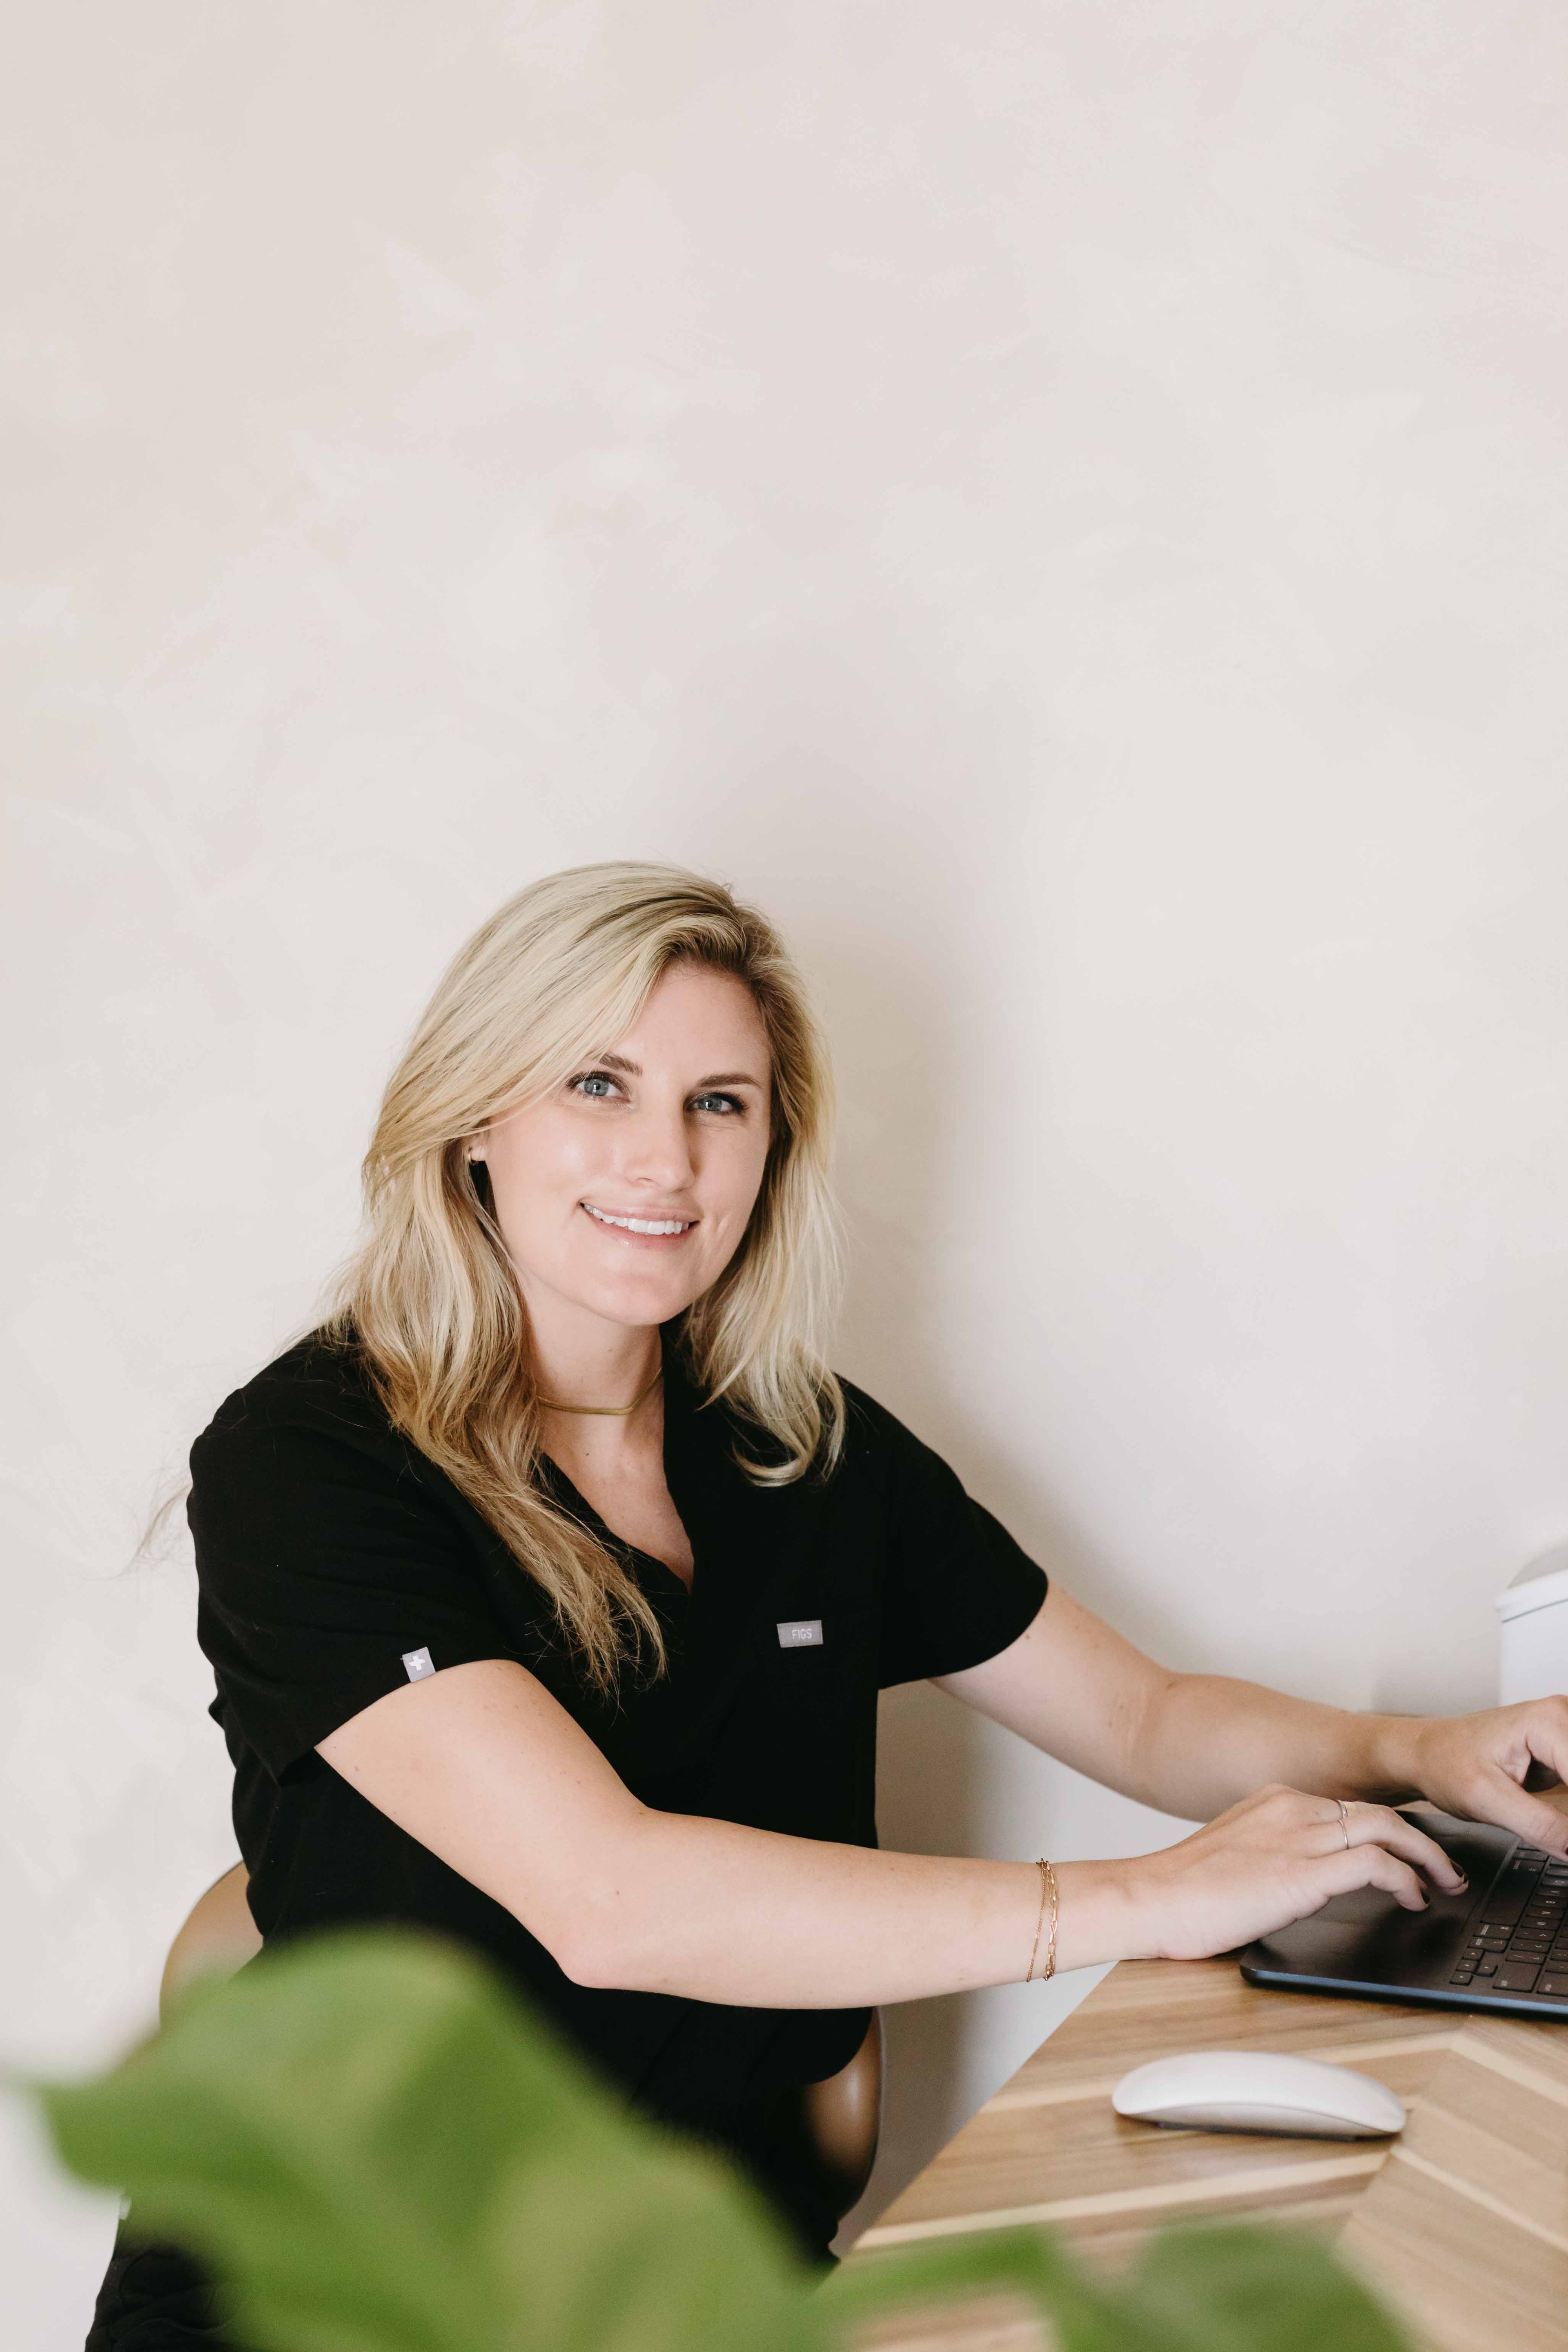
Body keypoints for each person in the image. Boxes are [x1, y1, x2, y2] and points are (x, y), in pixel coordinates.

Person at [89, 862, 1568, 2339]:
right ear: (479, 1116)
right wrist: (1144, 1902)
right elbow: (611, 1902)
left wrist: (1427, 1757)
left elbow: (1142, 1713)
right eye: (599, 1084)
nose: (665, 1161)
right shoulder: (316, 1458)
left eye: (718, 1103)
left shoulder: (800, 1443)